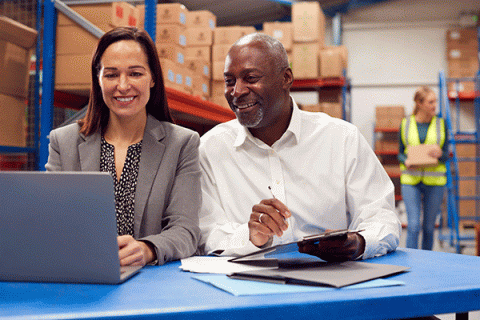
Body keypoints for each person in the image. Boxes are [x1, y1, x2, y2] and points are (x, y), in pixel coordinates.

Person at [198, 33, 401, 261]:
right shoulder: (211, 149)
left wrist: (359, 242)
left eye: (251, 78)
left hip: (332, 280)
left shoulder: (342, 139)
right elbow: (207, 233)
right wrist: (250, 236)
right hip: (248, 287)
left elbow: (382, 216)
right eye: (229, 81)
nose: (237, 91)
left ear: (286, 78)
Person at [45, 27, 201, 266]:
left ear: (152, 78)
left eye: (135, 73)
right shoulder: (63, 142)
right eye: (111, 75)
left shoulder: (181, 144)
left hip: (150, 283)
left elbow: (186, 231)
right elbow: (52, 222)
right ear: (98, 80)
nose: (123, 85)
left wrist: (147, 249)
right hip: (84, 277)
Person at [398, 86, 448, 250]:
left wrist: (440, 153)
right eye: (430, 102)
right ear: (419, 104)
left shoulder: (441, 124)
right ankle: (411, 264)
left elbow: (446, 154)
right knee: (413, 226)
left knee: (428, 228)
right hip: (411, 180)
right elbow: (400, 153)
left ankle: (426, 263)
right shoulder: (405, 123)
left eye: (435, 102)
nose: (434, 105)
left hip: (434, 182)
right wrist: (405, 160)